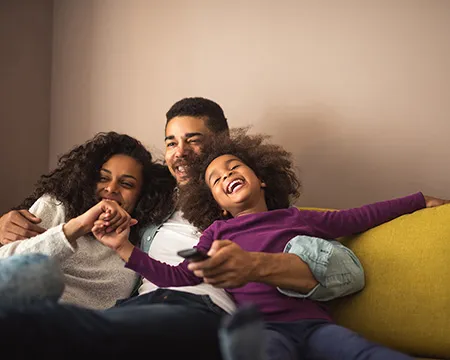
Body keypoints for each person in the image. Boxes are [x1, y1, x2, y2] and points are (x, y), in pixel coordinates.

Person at [0, 98, 367, 358]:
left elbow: (345, 272)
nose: (180, 151)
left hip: (200, 310)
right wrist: (8, 220)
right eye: (171, 142)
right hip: (139, 306)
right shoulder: (150, 200)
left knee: (85, 332)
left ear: (224, 145)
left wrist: (255, 265)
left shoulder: (249, 207)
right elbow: (92, 214)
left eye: (194, 141)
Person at [96, 127, 446, 360]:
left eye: (233, 168)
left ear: (261, 178)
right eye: (216, 180)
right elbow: (178, 276)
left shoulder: (296, 218)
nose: (227, 176)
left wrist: (417, 200)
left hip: (316, 326)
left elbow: (360, 216)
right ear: (216, 203)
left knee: (364, 353)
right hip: (262, 331)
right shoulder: (217, 233)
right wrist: (123, 248)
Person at [0, 131, 175, 309]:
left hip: (83, 329)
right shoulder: (57, 206)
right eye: (103, 178)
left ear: (141, 194)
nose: (111, 188)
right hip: (22, 312)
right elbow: (6, 266)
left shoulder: (137, 240)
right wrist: (78, 226)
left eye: (126, 184)